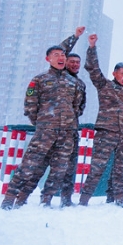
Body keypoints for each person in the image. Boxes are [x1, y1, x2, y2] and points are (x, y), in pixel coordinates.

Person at [1, 45, 84, 210]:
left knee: (59, 169)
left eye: (62, 55)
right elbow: (30, 105)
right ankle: (11, 199)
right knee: (29, 165)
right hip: (45, 131)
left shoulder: (73, 82)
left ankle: (46, 200)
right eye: (56, 55)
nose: (60, 57)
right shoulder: (39, 80)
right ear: (48, 59)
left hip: (66, 133)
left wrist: (67, 123)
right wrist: (42, 123)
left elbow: (77, 107)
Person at [78, 34, 123, 207]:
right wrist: (92, 47)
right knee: (97, 167)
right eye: (122, 73)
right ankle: (84, 199)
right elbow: (93, 69)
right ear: (114, 73)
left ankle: (119, 199)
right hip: (107, 132)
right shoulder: (105, 85)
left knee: (120, 169)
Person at [37, 27, 87, 207]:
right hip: (50, 130)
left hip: (71, 130)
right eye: (71, 61)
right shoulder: (59, 76)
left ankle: (67, 198)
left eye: (77, 63)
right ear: (64, 62)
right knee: (43, 165)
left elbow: (80, 107)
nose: (74, 65)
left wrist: (70, 120)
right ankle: (44, 198)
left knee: (69, 166)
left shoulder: (79, 83)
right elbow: (60, 51)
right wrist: (75, 37)